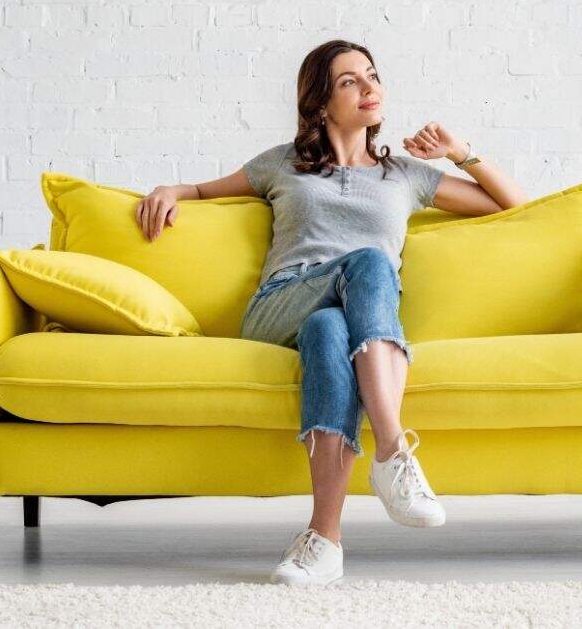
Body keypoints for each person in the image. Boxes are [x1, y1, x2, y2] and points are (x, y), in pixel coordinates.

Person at [133, 39, 527, 586]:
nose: (369, 89)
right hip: (278, 307)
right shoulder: (283, 165)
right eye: (350, 81)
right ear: (321, 103)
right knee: (366, 264)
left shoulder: (408, 176)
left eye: (372, 76)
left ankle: (324, 539)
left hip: (346, 316)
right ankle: (391, 450)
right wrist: (168, 189)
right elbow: (203, 188)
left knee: (328, 329)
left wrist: (460, 151)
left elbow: (517, 210)